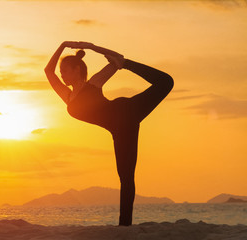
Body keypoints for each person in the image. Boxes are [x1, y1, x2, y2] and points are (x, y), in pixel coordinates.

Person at [44, 41, 174, 226]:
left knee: (166, 82)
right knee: (126, 177)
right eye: (61, 71)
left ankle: (131, 65)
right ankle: (125, 226)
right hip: (120, 130)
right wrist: (63, 45)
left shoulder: (94, 83)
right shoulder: (67, 96)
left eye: (65, 70)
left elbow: (117, 59)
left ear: (77, 70)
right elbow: (48, 72)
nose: (62, 74)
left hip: (129, 110)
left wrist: (91, 47)